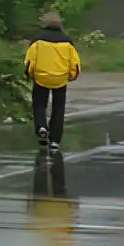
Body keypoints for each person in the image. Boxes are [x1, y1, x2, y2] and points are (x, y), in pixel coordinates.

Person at [24, 13, 81, 149]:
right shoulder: (67, 42)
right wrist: (71, 76)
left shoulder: (37, 41)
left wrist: (31, 74)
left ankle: (42, 127)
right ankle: (55, 140)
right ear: (60, 24)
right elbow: (75, 63)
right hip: (60, 79)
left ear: (45, 23)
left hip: (41, 77)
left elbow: (30, 61)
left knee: (39, 105)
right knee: (58, 108)